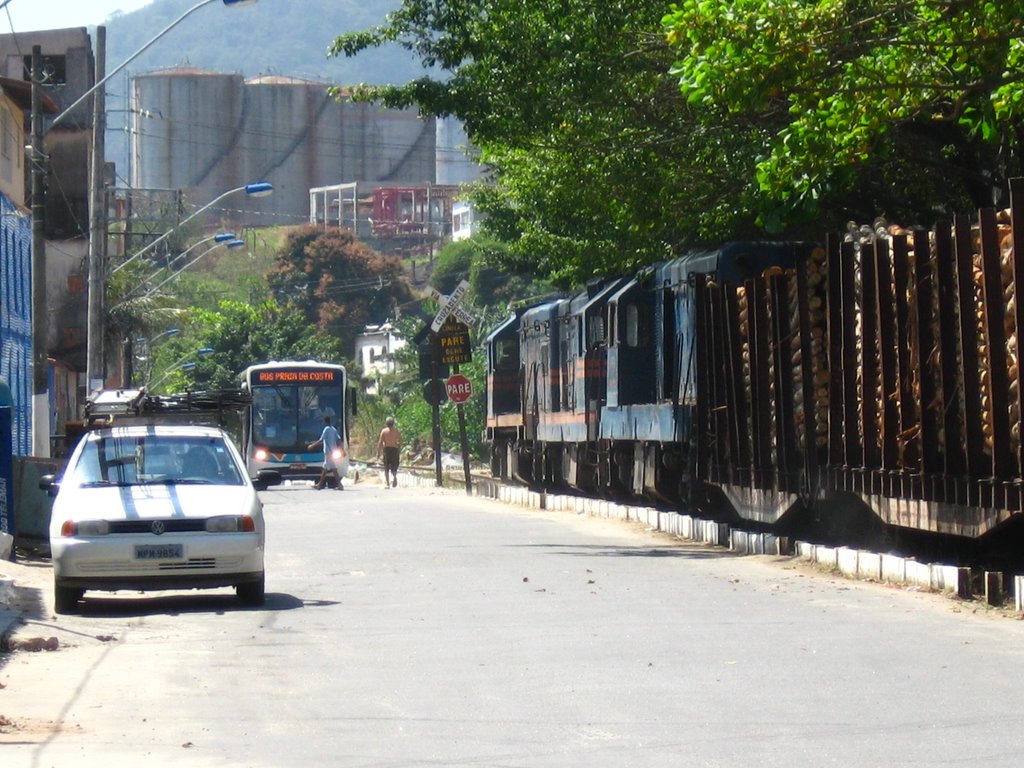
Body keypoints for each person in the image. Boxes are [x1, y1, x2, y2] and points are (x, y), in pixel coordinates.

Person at [308, 415, 343, 490]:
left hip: (328, 452)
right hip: (332, 452)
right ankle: (320, 484)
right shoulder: (334, 429)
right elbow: (339, 440)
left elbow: (321, 440)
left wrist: (312, 446)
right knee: (326, 469)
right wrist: (342, 450)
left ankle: (339, 485)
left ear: (324, 421)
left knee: (332, 469)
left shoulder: (326, 429)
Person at [377, 416, 402, 488]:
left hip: (386, 450)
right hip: (394, 449)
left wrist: (378, 452)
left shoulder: (384, 431)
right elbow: (401, 440)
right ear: (393, 423)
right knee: (394, 465)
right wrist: (398, 447)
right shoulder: (396, 431)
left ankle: (387, 484)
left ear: (386, 423)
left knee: (386, 467)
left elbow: (380, 442)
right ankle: (394, 477)